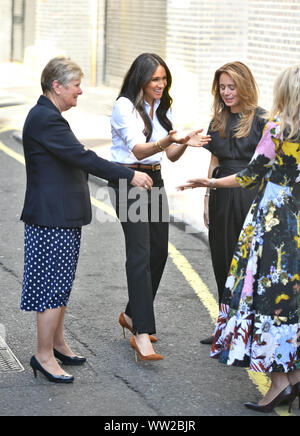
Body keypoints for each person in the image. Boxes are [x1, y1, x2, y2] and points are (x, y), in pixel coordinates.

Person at [20, 56, 153, 383]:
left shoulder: (47, 116)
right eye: (76, 85)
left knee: (59, 288)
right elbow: (82, 157)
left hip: (58, 217)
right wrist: (128, 176)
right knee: (52, 289)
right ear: (57, 86)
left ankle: (57, 344)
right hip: (53, 219)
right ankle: (44, 355)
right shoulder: (46, 119)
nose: (80, 91)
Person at [178, 63, 300, 413]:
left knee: (264, 297)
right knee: (291, 301)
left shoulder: (276, 129)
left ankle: (278, 383)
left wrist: (209, 184)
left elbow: (250, 176)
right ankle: (293, 376)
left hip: (274, 223)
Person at [108, 52, 210, 361]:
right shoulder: (124, 107)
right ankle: (141, 333)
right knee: (139, 254)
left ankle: (130, 314)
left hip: (155, 180)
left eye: (164, 79)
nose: (161, 85)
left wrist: (184, 143)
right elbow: (138, 148)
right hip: (129, 180)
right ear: (140, 78)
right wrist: (169, 141)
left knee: (159, 252)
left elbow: (169, 155)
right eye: (155, 79)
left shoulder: (159, 107)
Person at [200, 61, 266, 344]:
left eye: (232, 87)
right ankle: (225, 328)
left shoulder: (262, 119)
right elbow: (214, 160)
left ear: (245, 86)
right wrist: (206, 197)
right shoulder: (218, 121)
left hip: (251, 192)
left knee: (250, 261)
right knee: (222, 258)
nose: (227, 93)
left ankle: (249, 330)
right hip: (221, 193)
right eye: (222, 87)